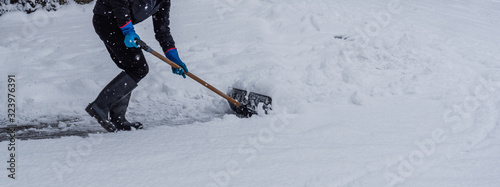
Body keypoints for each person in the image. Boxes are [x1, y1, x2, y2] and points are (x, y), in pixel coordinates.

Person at [86, 0, 188, 132]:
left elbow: (162, 30)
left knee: (132, 68)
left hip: (117, 23)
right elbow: (119, 4)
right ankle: (100, 106)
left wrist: (173, 57)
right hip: (107, 21)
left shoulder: (163, 1)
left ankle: (118, 118)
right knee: (138, 68)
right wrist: (128, 30)